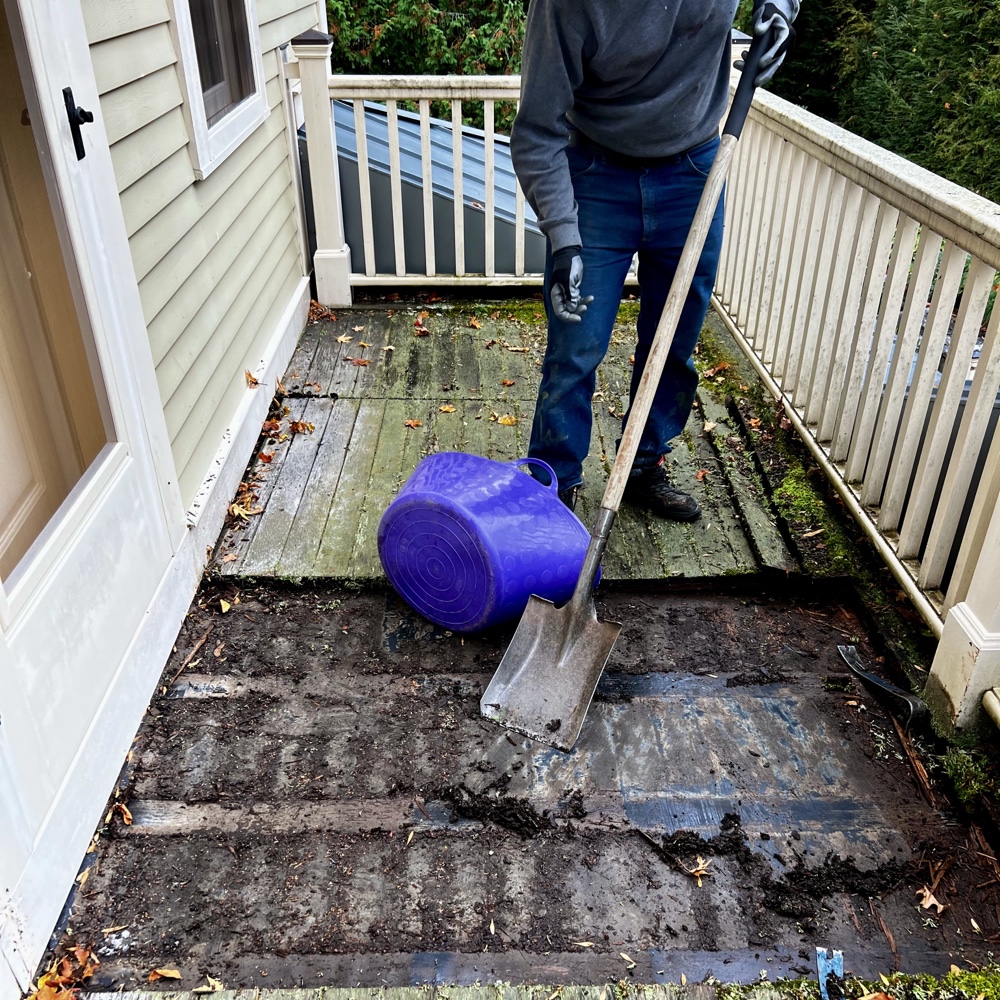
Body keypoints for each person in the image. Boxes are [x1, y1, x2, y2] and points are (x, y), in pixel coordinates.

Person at [510, 0, 797, 520]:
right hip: (596, 172)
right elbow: (536, 132)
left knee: (676, 339)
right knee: (576, 345)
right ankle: (554, 483)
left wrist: (779, 7)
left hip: (693, 170)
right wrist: (564, 236)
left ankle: (643, 465)